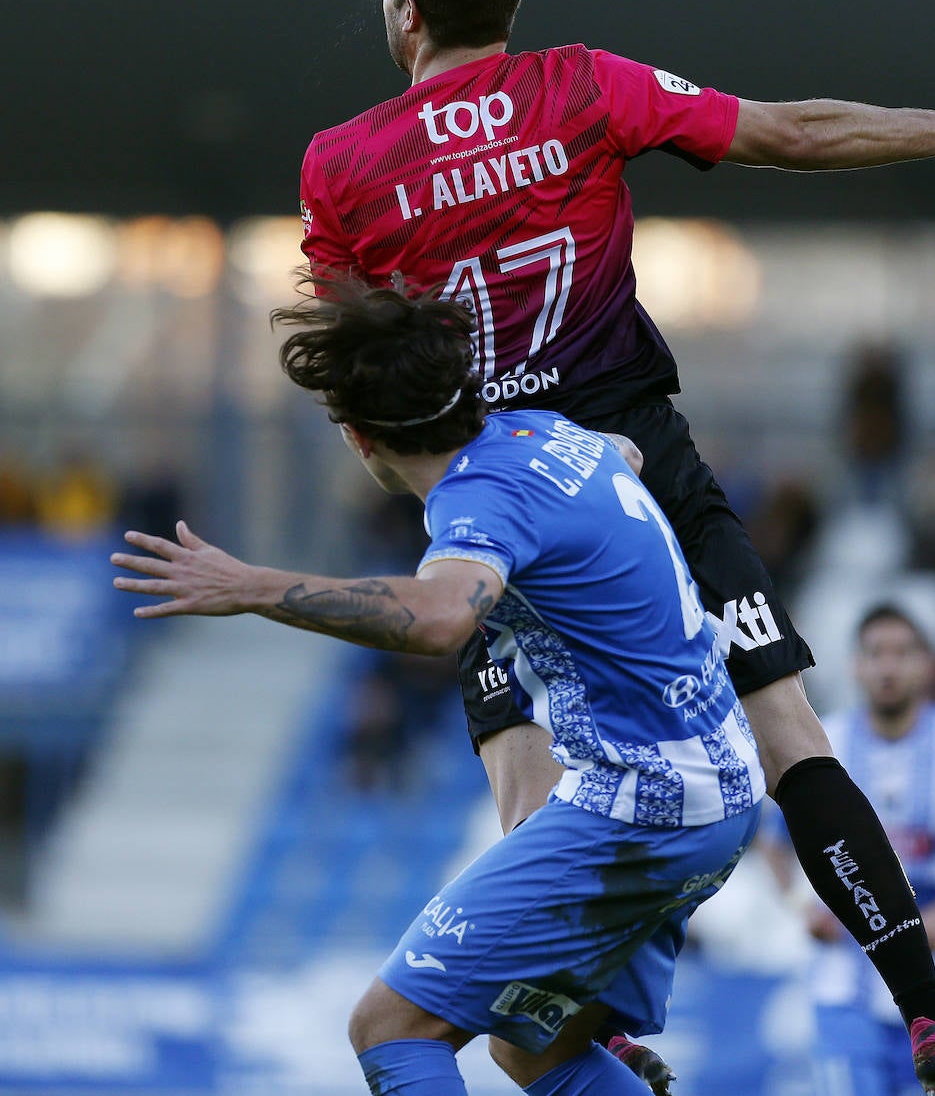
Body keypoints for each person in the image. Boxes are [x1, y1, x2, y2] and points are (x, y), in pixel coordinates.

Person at [295, 0, 935, 1093]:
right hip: (640, 472)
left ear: (405, 15)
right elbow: (786, 133)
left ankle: (574, 1019)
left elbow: (346, 362)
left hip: (493, 490)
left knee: (523, 765)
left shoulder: (344, 164)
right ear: (511, 1)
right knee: (789, 733)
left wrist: (384, 450)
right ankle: (925, 1017)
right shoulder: (581, 85)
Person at [111, 276, 767, 1096]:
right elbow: (625, 456)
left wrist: (249, 586)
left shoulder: (479, 499)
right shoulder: (546, 433)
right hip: (720, 787)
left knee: (388, 1028)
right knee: (535, 1046)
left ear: (358, 438)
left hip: (642, 801)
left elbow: (437, 618)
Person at [765, 603, 935, 1096]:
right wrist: (801, 903)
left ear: (928, 665)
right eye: (875, 653)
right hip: (842, 982)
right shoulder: (818, 746)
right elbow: (773, 842)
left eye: (902, 653)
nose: (888, 666)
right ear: (855, 666)